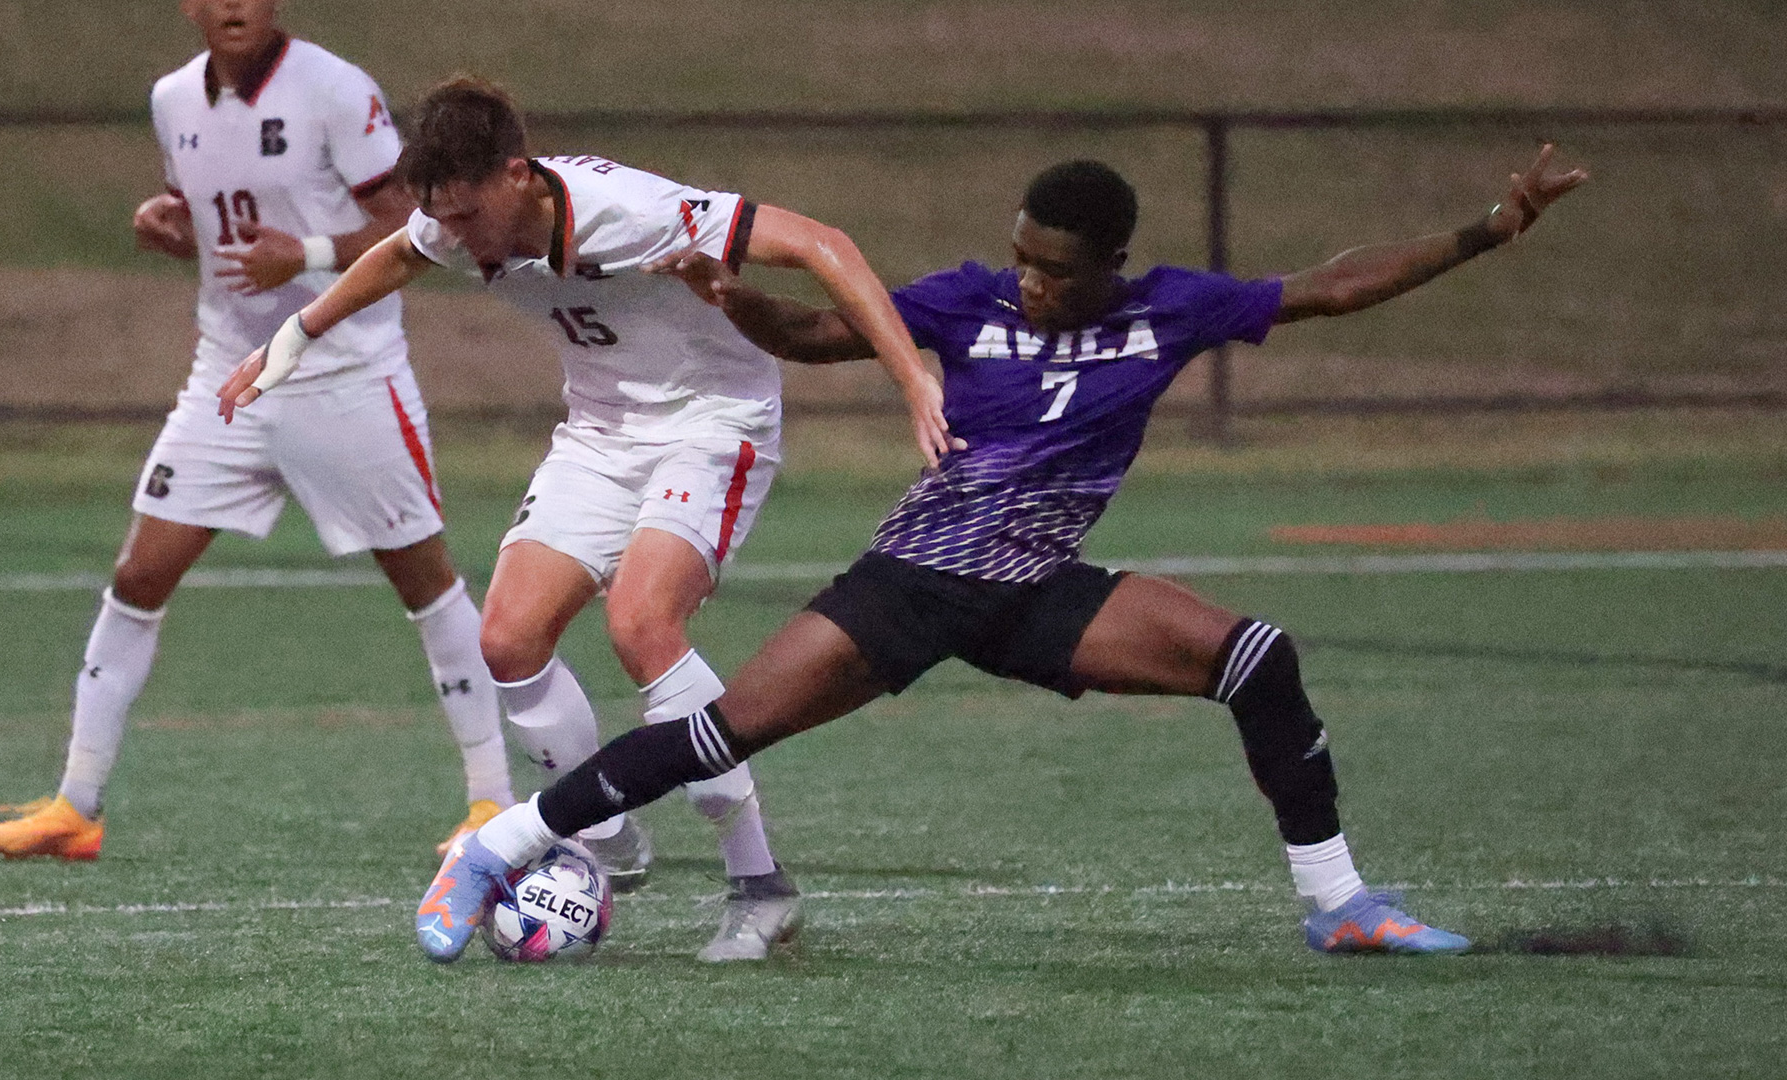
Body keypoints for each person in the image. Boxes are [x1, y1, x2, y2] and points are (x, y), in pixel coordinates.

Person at [431, 145, 1589, 958]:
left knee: (1256, 658)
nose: (1027, 279)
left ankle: (1337, 902)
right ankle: (513, 846)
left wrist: (1487, 232)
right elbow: (820, 336)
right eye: (1020, 256)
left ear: (1108, 267)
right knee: (719, 729)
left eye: (1051, 268)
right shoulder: (965, 303)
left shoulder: (1169, 312)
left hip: (1037, 595)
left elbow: (1332, 290)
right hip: (909, 588)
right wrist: (735, 301)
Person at [216, 76, 955, 961]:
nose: (454, 237)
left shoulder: (632, 211)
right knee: (507, 639)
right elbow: (398, 256)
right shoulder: (459, 223)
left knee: (643, 624)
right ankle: (607, 839)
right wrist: (289, 341)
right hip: (600, 436)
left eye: (466, 216)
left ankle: (760, 888)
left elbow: (823, 244)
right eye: (442, 217)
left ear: (519, 177)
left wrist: (913, 377)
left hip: (711, 425)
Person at [0, 0, 515, 861]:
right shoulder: (173, 99)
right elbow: (214, 207)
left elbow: (416, 231)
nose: (231, 5)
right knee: (138, 575)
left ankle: (492, 803)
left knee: (425, 581)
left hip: (346, 374)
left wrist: (302, 256)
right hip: (228, 373)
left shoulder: (335, 90)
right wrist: (171, 220)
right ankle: (77, 807)